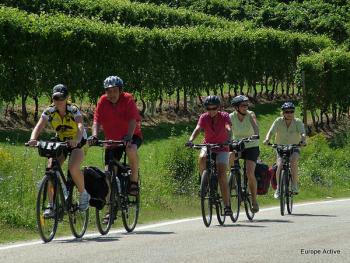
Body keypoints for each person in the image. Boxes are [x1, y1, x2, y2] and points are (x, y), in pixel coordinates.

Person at [27, 84, 90, 215]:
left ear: (66, 98)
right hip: (61, 141)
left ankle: (84, 194)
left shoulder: (73, 109)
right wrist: (33, 138)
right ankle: (52, 205)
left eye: (61, 98)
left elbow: (80, 125)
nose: (58, 101)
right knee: (51, 169)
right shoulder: (49, 111)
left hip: (78, 141)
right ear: (52, 99)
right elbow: (39, 125)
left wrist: (77, 140)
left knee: (73, 167)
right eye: (56, 98)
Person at [88, 76, 142, 196]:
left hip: (132, 135)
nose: (111, 94)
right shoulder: (102, 101)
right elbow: (96, 121)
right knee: (109, 173)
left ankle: (133, 181)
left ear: (120, 91)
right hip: (113, 141)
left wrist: (129, 136)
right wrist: (94, 136)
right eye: (108, 91)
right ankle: (110, 208)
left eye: (114, 91)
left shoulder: (128, 99)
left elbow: (133, 120)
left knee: (130, 149)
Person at [186, 95, 232, 216]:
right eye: (209, 108)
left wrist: (228, 138)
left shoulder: (225, 116)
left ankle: (227, 206)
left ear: (219, 107)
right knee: (202, 158)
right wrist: (190, 140)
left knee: (222, 174)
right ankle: (204, 181)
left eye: (214, 108)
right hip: (208, 145)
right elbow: (198, 128)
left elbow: (228, 127)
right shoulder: (204, 117)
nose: (211, 111)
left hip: (222, 147)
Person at [263, 102, 306, 198]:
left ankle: (294, 186)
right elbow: (271, 132)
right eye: (287, 112)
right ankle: (278, 188)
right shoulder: (278, 121)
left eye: (291, 111)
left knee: (293, 161)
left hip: (294, 147)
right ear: (283, 113)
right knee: (280, 164)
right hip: (280, 147)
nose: (289, 113)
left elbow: (303, 133)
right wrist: (267, 139)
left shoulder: (298, 121)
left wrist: (303, 140)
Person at [229, 95, 260, 213]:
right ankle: (233, 177)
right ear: (236, 107)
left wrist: (256, 133)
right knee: (230, 156)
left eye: (247, 105)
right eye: (243, 105)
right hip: (238, 145)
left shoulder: (250, 114)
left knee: (249, 172)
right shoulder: (230, 117)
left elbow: (255, 126)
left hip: (251, 145)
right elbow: (227, 129)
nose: (246, 107)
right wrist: (227, 139)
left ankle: (254, 200)